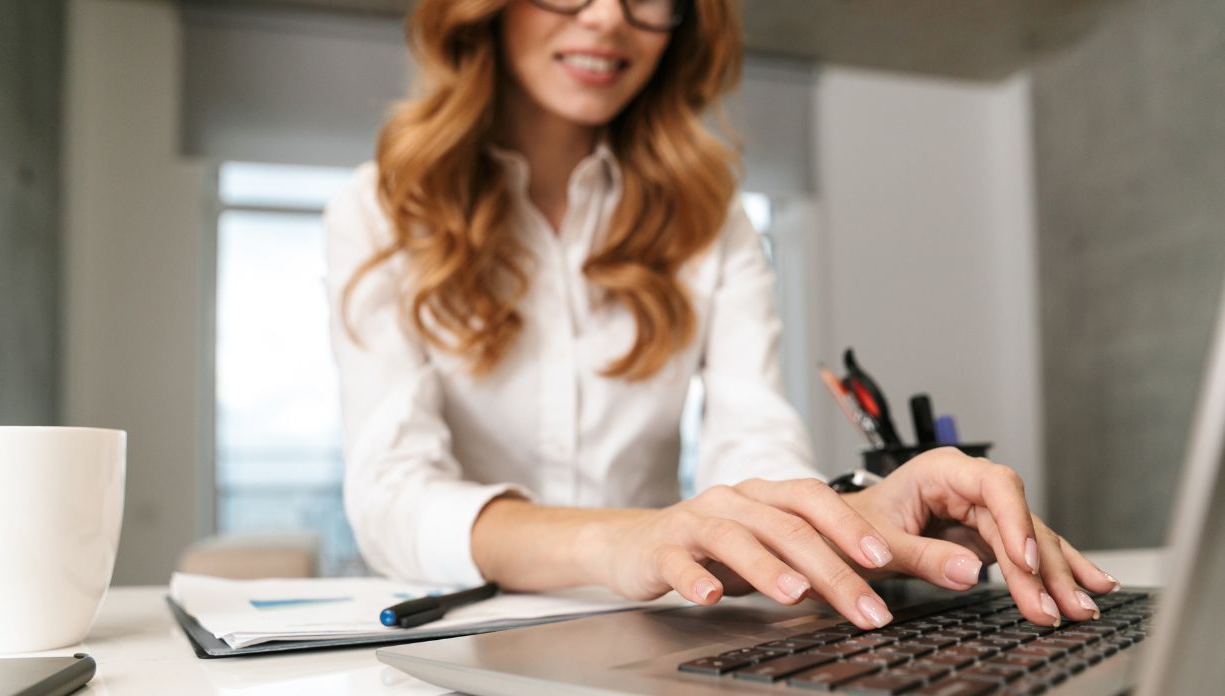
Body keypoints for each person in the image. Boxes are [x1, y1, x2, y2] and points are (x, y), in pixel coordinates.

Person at [324, 0, 1118, 631]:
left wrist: (857, 524)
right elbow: (392, 494)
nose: (608, 15)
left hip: (652, 631)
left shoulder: (710, 219)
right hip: (452, 640)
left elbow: (755, 439)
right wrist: (624, 539)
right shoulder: (378, 208)